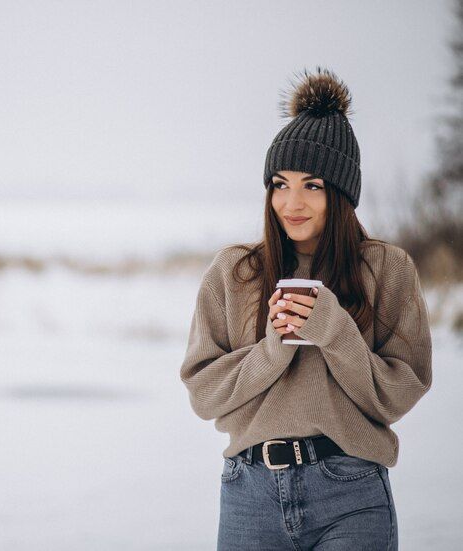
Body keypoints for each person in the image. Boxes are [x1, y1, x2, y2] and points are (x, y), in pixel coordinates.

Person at [179, 66, 432, 550]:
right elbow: (204, 393)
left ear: (340, 193)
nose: (291, 202)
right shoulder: (234, 273)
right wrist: (273, 349)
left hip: (351, 492)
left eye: (312, 185)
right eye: (279, 183)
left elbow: (400, 393)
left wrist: (335, 332)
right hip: (249, 495)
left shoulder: (387, 269)